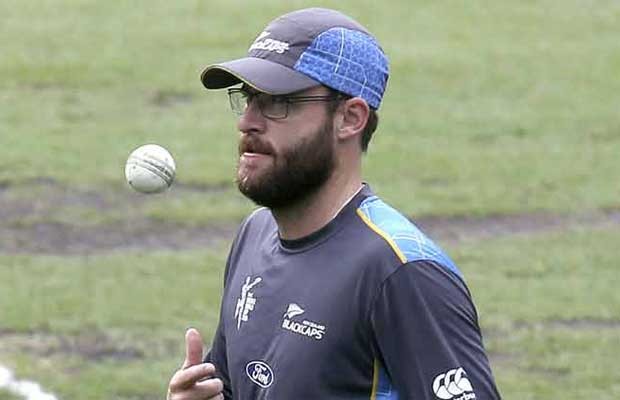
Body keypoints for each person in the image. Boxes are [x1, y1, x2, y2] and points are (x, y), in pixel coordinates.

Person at [167, 7, 501, 400]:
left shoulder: (401, 273)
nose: (248, 122)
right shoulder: (255, 235)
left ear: (350, 118)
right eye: (248, 98)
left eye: (278, 102)